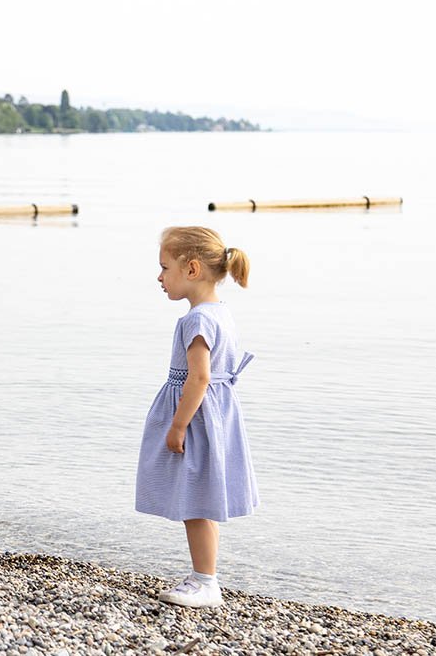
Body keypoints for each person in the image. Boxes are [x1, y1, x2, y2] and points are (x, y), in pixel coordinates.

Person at [134, 226, 258, 608]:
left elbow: (199, 376)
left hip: (198, 416)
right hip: (215, 413)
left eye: (164, 267)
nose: (159, 276)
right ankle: (203, 576)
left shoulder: (197, 320)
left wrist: (177, 424)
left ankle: (206, 582)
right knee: (201, 500)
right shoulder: (220, 312)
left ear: (191, 270)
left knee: (196, 504)